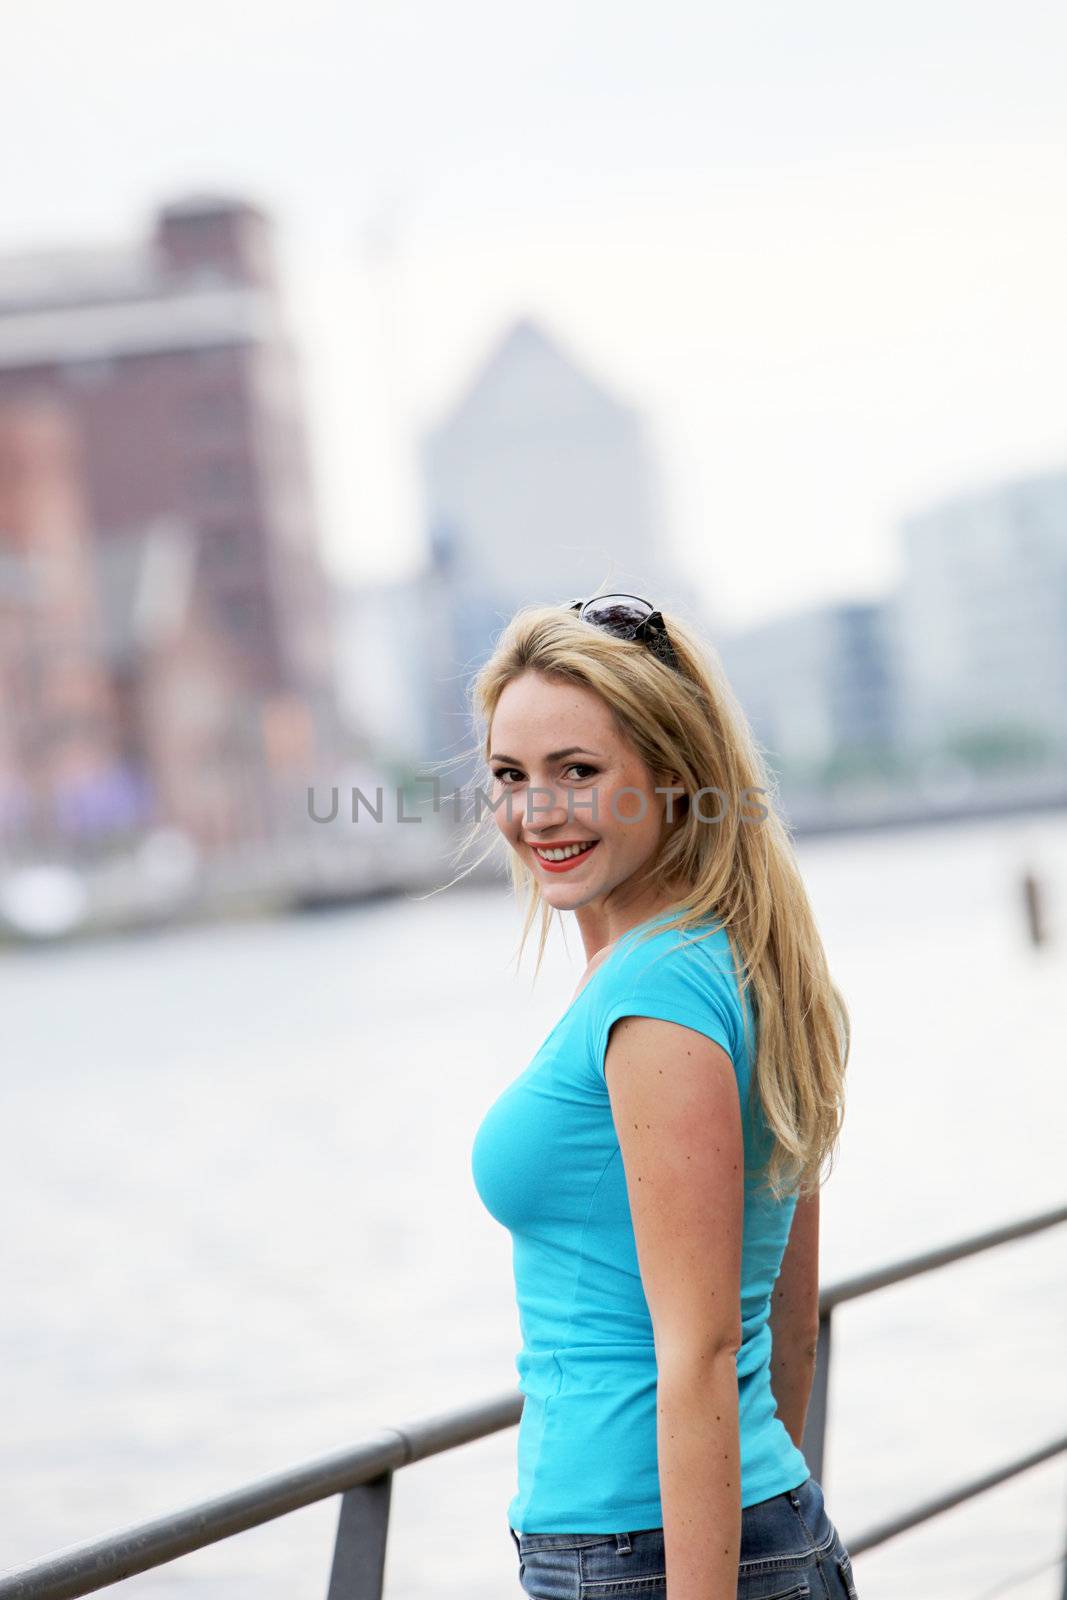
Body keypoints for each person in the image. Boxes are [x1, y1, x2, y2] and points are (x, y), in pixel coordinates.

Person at [463, 593, 858, 1599]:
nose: (535, 812)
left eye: (578, 773)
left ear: (672, 780)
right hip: (735, 1535)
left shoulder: (654, 1001)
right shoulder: (731, 961)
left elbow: (705, 1346)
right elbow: (787, 1323)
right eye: (510, 776)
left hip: (638, 1555)